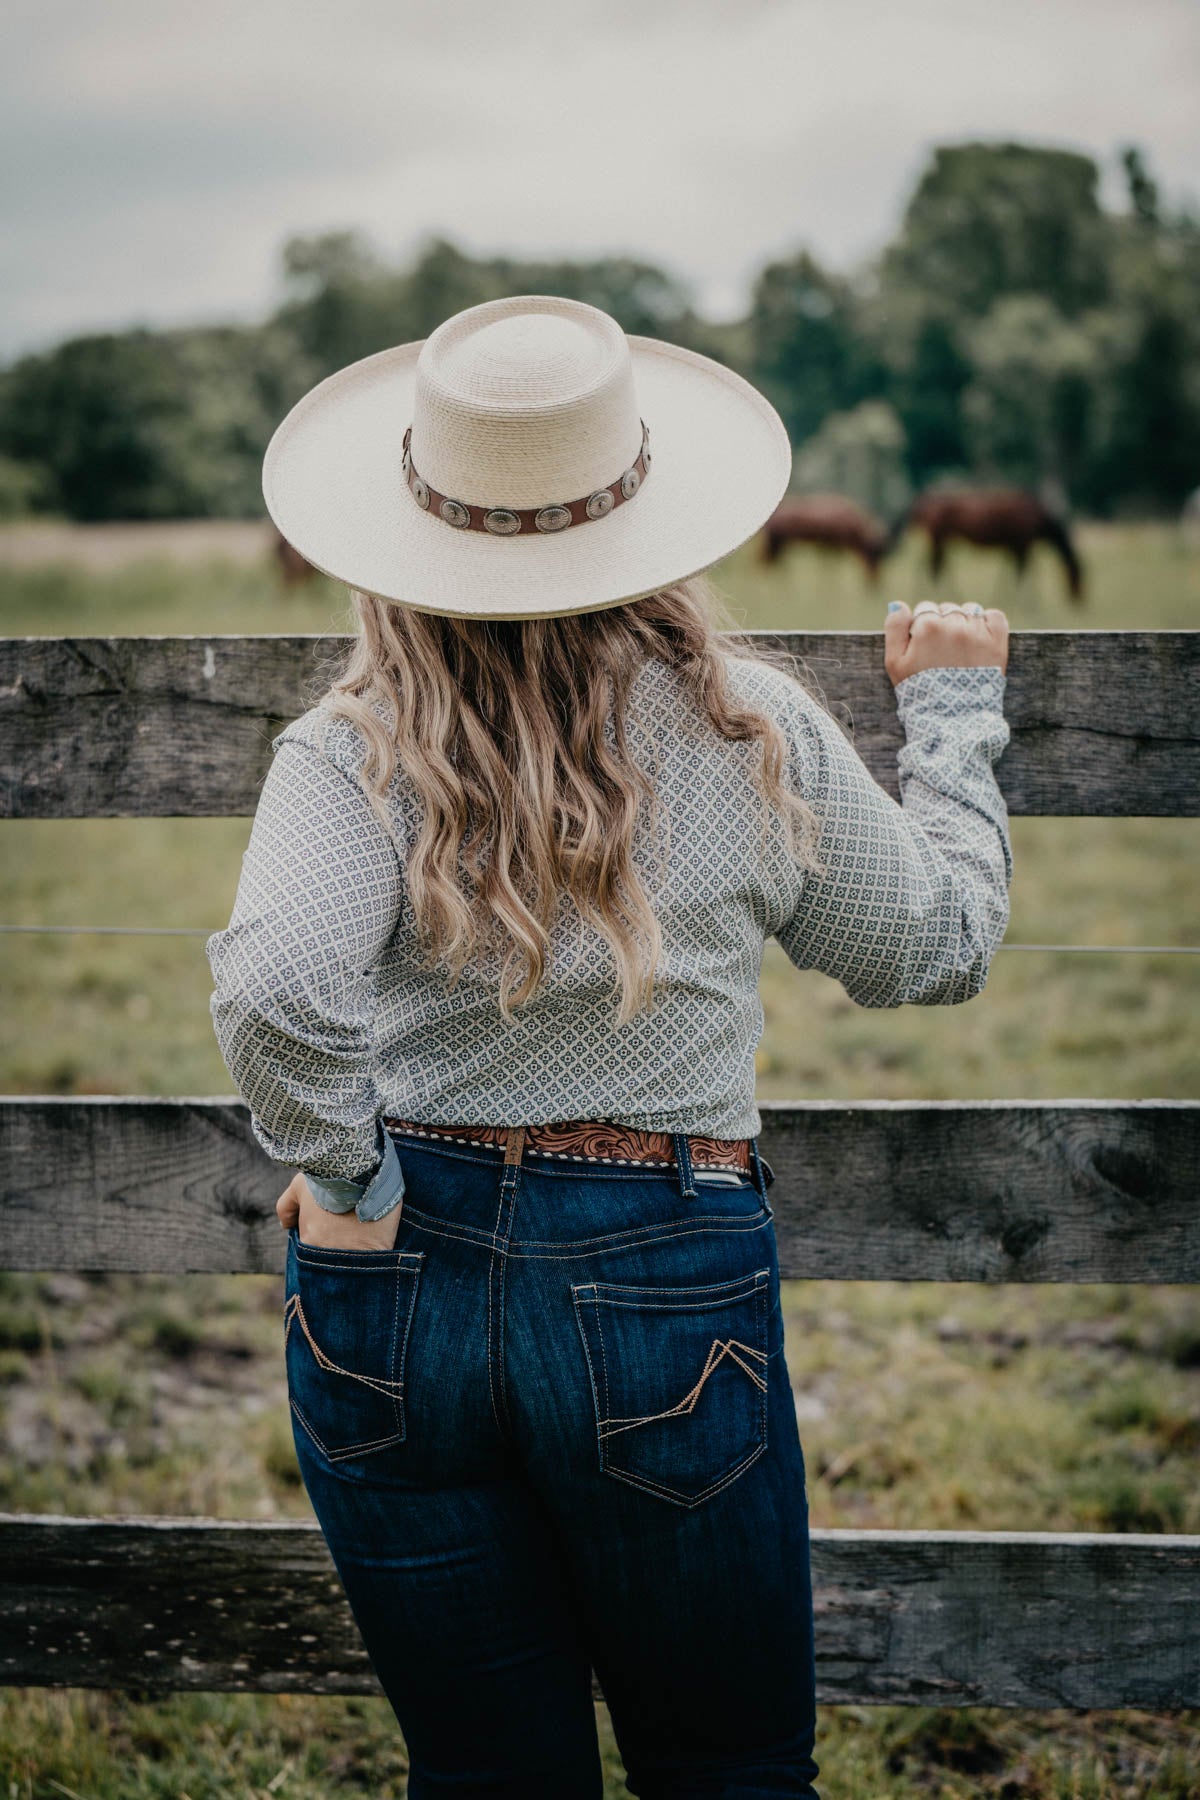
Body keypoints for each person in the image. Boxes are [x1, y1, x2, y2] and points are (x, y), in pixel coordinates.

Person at [206, 294, 1012, 1800]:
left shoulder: (352, 744)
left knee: (487, 1774)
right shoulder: (739, 726)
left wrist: (349, 1176)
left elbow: (275, 991)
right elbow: (938, 946)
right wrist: (955, 716)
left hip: (393, 1284)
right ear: (644, 508)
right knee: (725, 1770)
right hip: (663, 1264)